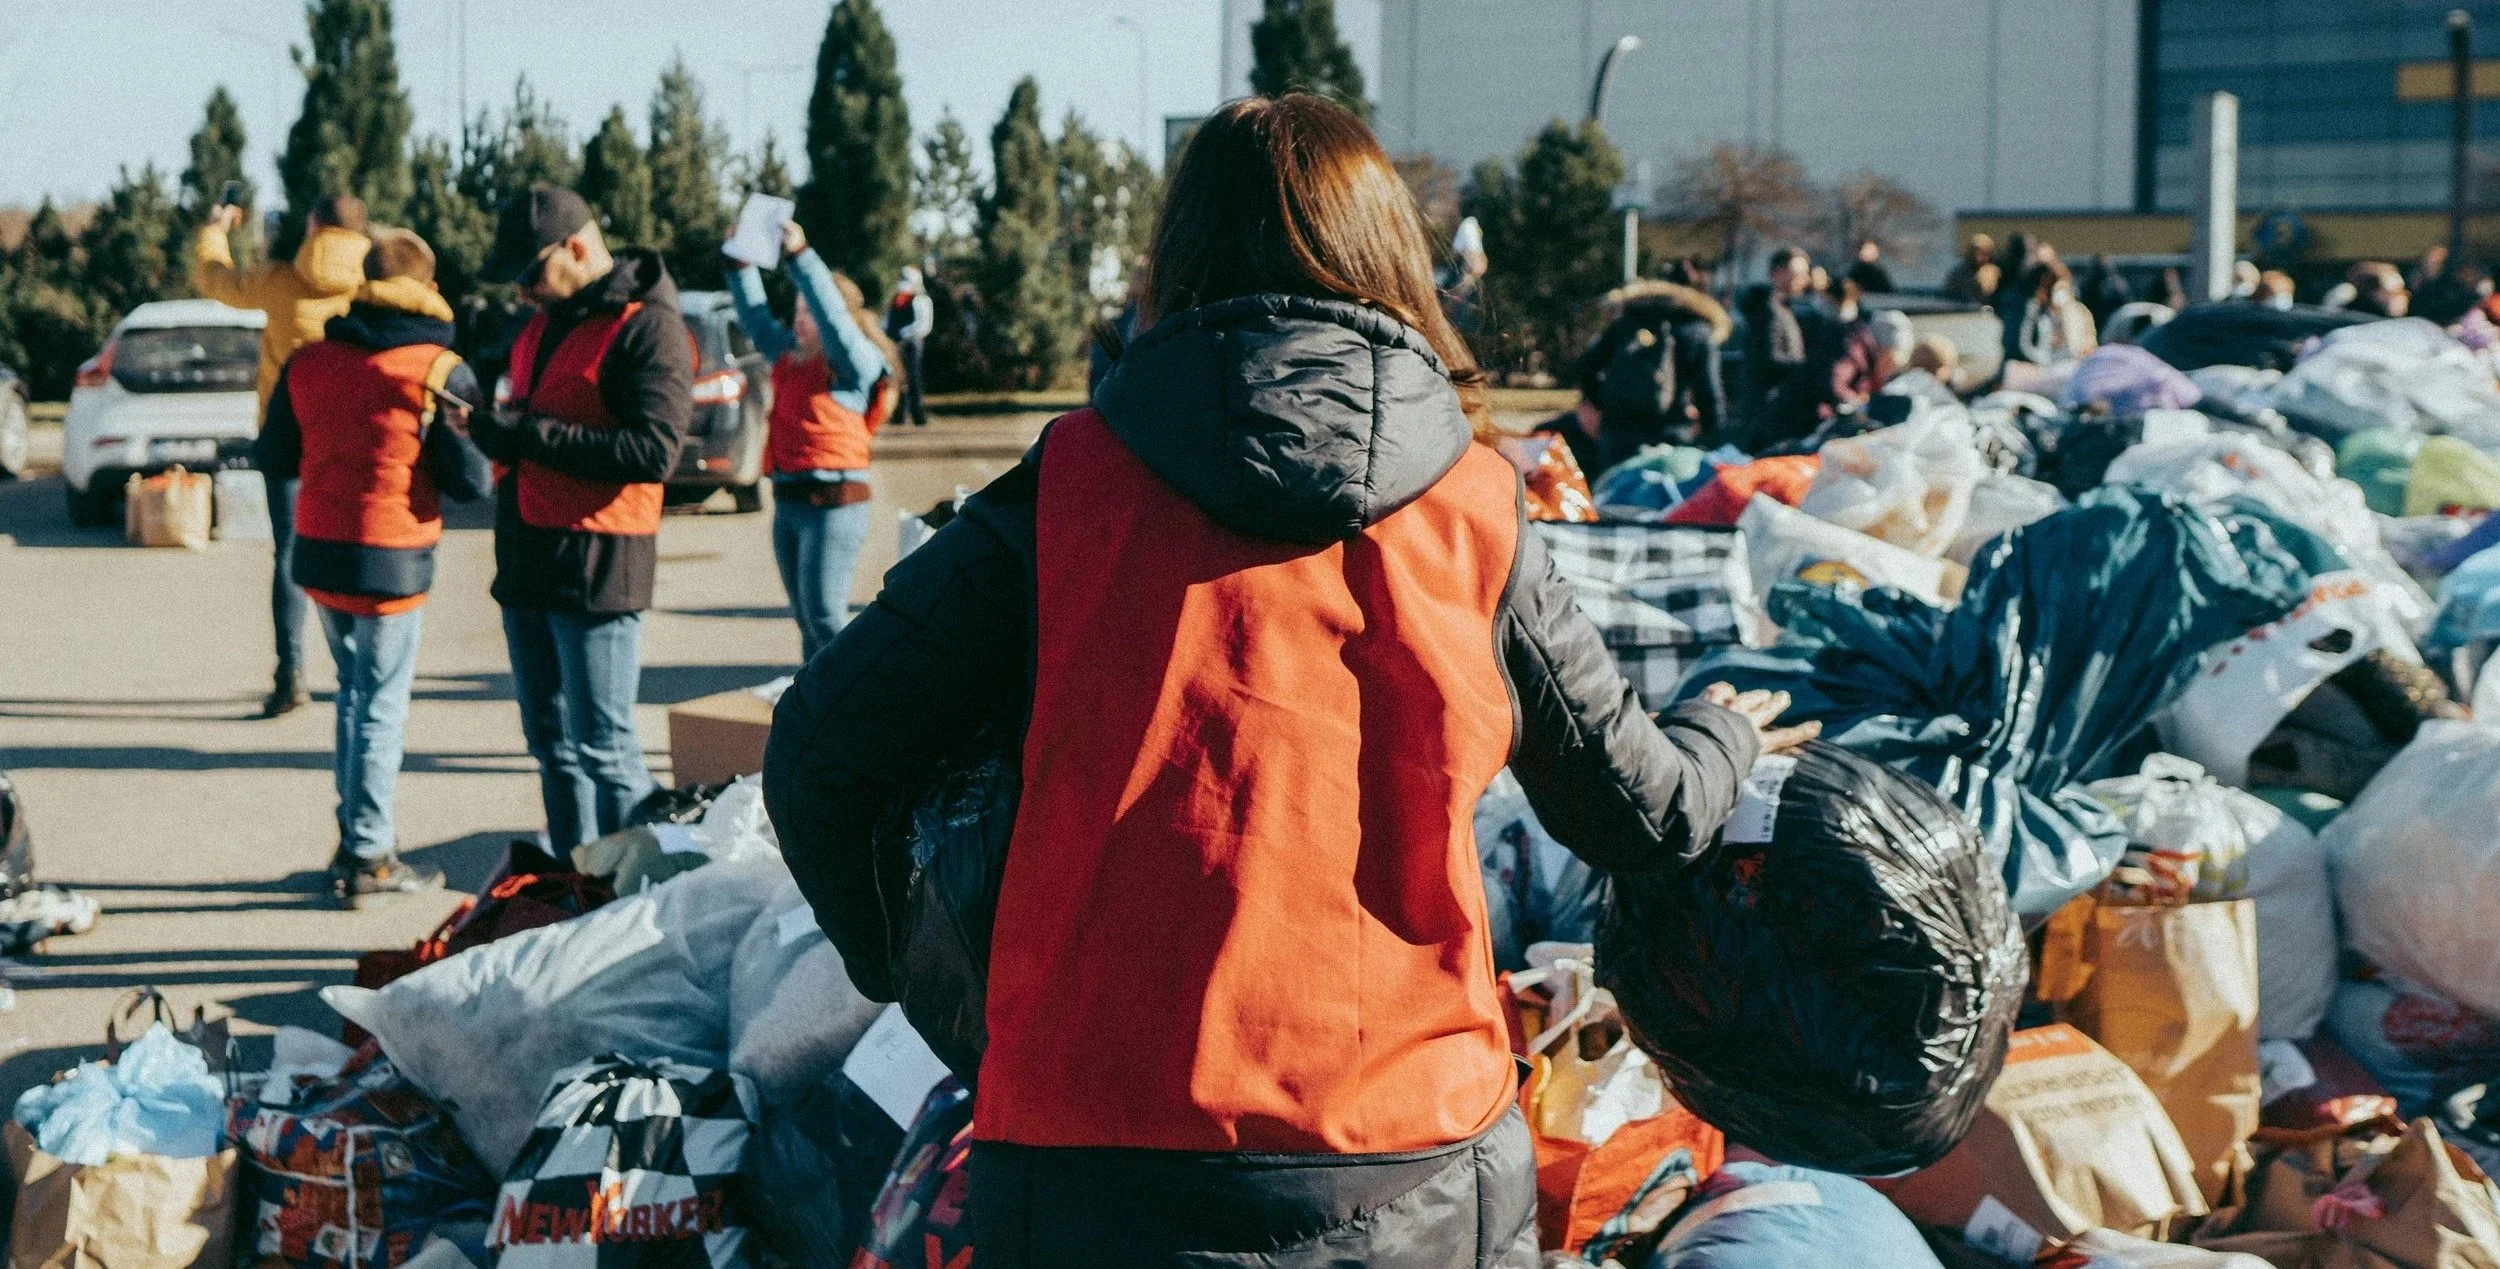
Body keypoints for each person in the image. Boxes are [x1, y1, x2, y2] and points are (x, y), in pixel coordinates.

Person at [763, 92, 1816, 1267]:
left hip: (1081, 1161)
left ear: (1177, 260)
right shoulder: (1474, 513)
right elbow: (1638, 810)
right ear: (1391, 259)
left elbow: (817, 758)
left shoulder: (1060, 497)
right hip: (1408, 1158)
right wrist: (1723, 733)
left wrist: (943, 989)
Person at [251, 229, 492, 905]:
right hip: (392, 554)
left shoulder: (309, 360)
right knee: (379, 703)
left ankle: (353, 833)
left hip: (321, 551)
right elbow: (473, 481)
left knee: (353, 694)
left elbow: (273, 455)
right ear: (428, 286)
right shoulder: (440, 369)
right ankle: (369, 852)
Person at [466, 186, 694, 851]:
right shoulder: (543, 324)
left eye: (530, 275)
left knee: (604, 748)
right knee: (552, 746)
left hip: (599, 566)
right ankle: (575, 888)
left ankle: (633, 906)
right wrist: (494, 431)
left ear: (575, 248)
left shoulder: (648, 326)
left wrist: (532, 435)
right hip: (528, 560)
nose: (523, 292)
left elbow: (654, 452)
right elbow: (535, 427)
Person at [193, 195, 372, 718]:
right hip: (357, 438)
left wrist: (215, 229)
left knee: (291, 556)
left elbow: (215, 280)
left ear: (313, 226)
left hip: (288, 437)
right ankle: (361, 670)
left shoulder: (279, 282)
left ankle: (290, 673)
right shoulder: (373, 284)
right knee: (362, 546)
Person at [725, 218, 901, 663]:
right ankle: (819, 715)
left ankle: (856, 703)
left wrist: (800, 257)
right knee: (806, 619)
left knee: (825, 617)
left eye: (810, 313)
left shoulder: (853, 364)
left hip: (836, 503)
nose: (800, 321)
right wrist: (740, 259)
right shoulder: (789, 356)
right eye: (797, 311)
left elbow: (834, 321)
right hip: (789, 500)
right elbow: (755, 316)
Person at [1572, 273, 1732, 465]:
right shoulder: (1698, 331)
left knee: (1617, 490)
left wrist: (1604, 404)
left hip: (1619, 435)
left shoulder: (1626, 324)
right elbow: (1710, 395)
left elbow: (1585, 369)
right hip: (1672, 435)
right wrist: (1713, 441)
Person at [1738, 246, 1815, 449]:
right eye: (1799, 274)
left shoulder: (1780, 308)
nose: (1805, 280)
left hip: (1773, 409)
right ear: (1778, 273)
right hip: (1767, 413)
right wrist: (1808, 368)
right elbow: (1769, 359)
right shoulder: (1769, 311)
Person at [2018, 259, 2099, 367]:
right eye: (2056, 288)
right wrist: (2042, 359)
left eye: (2065, 288)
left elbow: (2091, 340)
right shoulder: (2037, 313)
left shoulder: (2080, 311)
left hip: (2074, 364)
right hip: (2047, 367)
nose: (2061, 293)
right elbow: (2025, 343)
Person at [884, 266, 934, 428]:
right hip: (894, 344)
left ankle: (918, 414)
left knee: (914, 379)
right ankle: (899, 414)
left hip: (912, 344)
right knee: (897, 378)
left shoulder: (921, 300)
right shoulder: (896, 300)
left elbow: (923, 325)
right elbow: (887, 320)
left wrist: (903, 334)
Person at [2079, 253, 2133, 328]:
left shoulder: (2115, 284)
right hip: (2098, 322)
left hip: (2111, 322)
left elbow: (2124, 304)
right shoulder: (2089, 284)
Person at [1942, 233, 1997, 303]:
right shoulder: (1959, 273)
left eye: (1984, 253)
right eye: (1977, 253)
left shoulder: (1996, 273)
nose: (1980, 258)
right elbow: (1949, 295)